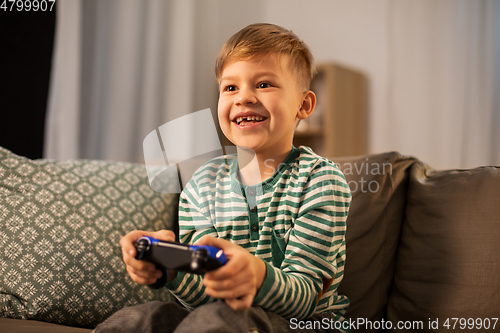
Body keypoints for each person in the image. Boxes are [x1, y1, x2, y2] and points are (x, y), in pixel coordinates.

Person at [112, 23, 351, 333]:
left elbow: (304, 300)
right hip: (221, 317)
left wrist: (257, 275)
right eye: (230, 87)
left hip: (303, 324)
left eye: (264, 84)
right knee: (141, 318)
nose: (244, 98)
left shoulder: (320, 180)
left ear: (303, 105)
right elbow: (201, 300)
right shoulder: (201, 185)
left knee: (219, 320)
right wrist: (171, 269)